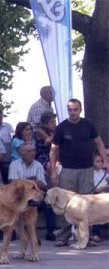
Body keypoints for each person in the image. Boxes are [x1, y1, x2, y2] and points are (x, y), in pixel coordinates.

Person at [50, 99, 108, 247]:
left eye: (75, 109)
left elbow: (99, 143)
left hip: (87, 169)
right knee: (65, 205)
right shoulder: (62, 127)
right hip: (67, 169)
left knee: (87, 205)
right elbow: (54, 149)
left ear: (80, 110)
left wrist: (106, 162)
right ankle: (63, 236)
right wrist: (53, 171)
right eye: (70, 109)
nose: (72, 112)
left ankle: (85, 238)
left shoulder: (88, 125)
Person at [34, 112, 58, 241]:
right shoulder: (40, 132)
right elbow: (49, 142)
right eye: (52, 122)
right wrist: (58, 133)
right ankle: (50, 229)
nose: (54, 124)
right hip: (43, 161)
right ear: (44, 123)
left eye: (55, 121)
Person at [90, 152, 108, 243]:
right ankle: (95, 234)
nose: (100, 163)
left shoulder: (104, 173)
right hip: (97, 197)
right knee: (97, 212)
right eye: (98, 161)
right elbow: (95, 190)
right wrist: (106, 187)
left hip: (106, 197)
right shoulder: (91, 174)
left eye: (101, 161)